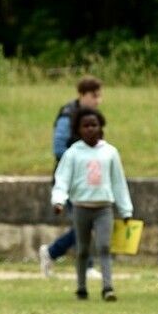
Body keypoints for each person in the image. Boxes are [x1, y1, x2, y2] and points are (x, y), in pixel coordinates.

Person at [51, 107, 134, 301]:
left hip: (104, 208)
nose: (90, 129)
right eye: (85, 126)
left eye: (93, 125)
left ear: (101, 127)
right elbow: (62, 179)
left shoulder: (110, 152)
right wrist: (59, 200)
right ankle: (81, 287)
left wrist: (126, 209)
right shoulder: (73, 153)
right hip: (81, 207)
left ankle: (108, 287)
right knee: (83, 249)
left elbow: (118, 182)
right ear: (78, 130)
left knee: (104, 246)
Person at [39, 76, 103, 278]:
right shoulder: (67, 115)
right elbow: (59, 148)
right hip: (70, 180)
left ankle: (56, 254)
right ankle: (56, 254)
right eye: (94, 96)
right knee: (83, 223)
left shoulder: (93, 116)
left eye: (99, 96)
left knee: (86, 222)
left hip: (89, 180)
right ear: (82, 94)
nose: (97, 100)